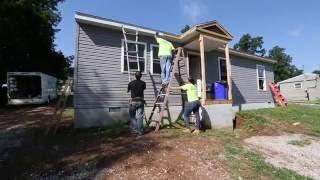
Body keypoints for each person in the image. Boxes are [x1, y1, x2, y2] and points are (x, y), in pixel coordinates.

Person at [127, 71, 146, 136]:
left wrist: (130, 86)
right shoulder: (143, 83)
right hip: (140, 101)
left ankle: (135, 129)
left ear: (135, 76)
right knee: (140, 117)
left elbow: (128, 91)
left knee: (132, 116)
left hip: (133, 101)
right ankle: (140, 132)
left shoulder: (131, 83)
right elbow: (143, 90)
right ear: (141, 76)